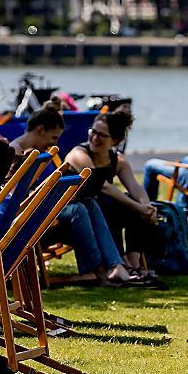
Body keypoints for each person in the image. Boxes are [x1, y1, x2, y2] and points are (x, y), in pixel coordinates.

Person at [64, 106, 156, 274]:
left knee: (134, 205)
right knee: (115, 207)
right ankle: (120, 262)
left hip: (99, 209)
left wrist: (146, 205)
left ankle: (134, 262)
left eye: (101, 135)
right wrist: (137, 206)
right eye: (93, 131)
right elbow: (103, 186)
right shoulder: (79, 155)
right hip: (78, 212)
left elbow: (134, 186)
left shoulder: (118, 160)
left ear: (114, 141)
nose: (94, 138)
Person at [9, 105, 64, 170]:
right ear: (41, 130)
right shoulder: (13, 154)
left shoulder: (26, 154)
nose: (54, 143)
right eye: (54, 138)